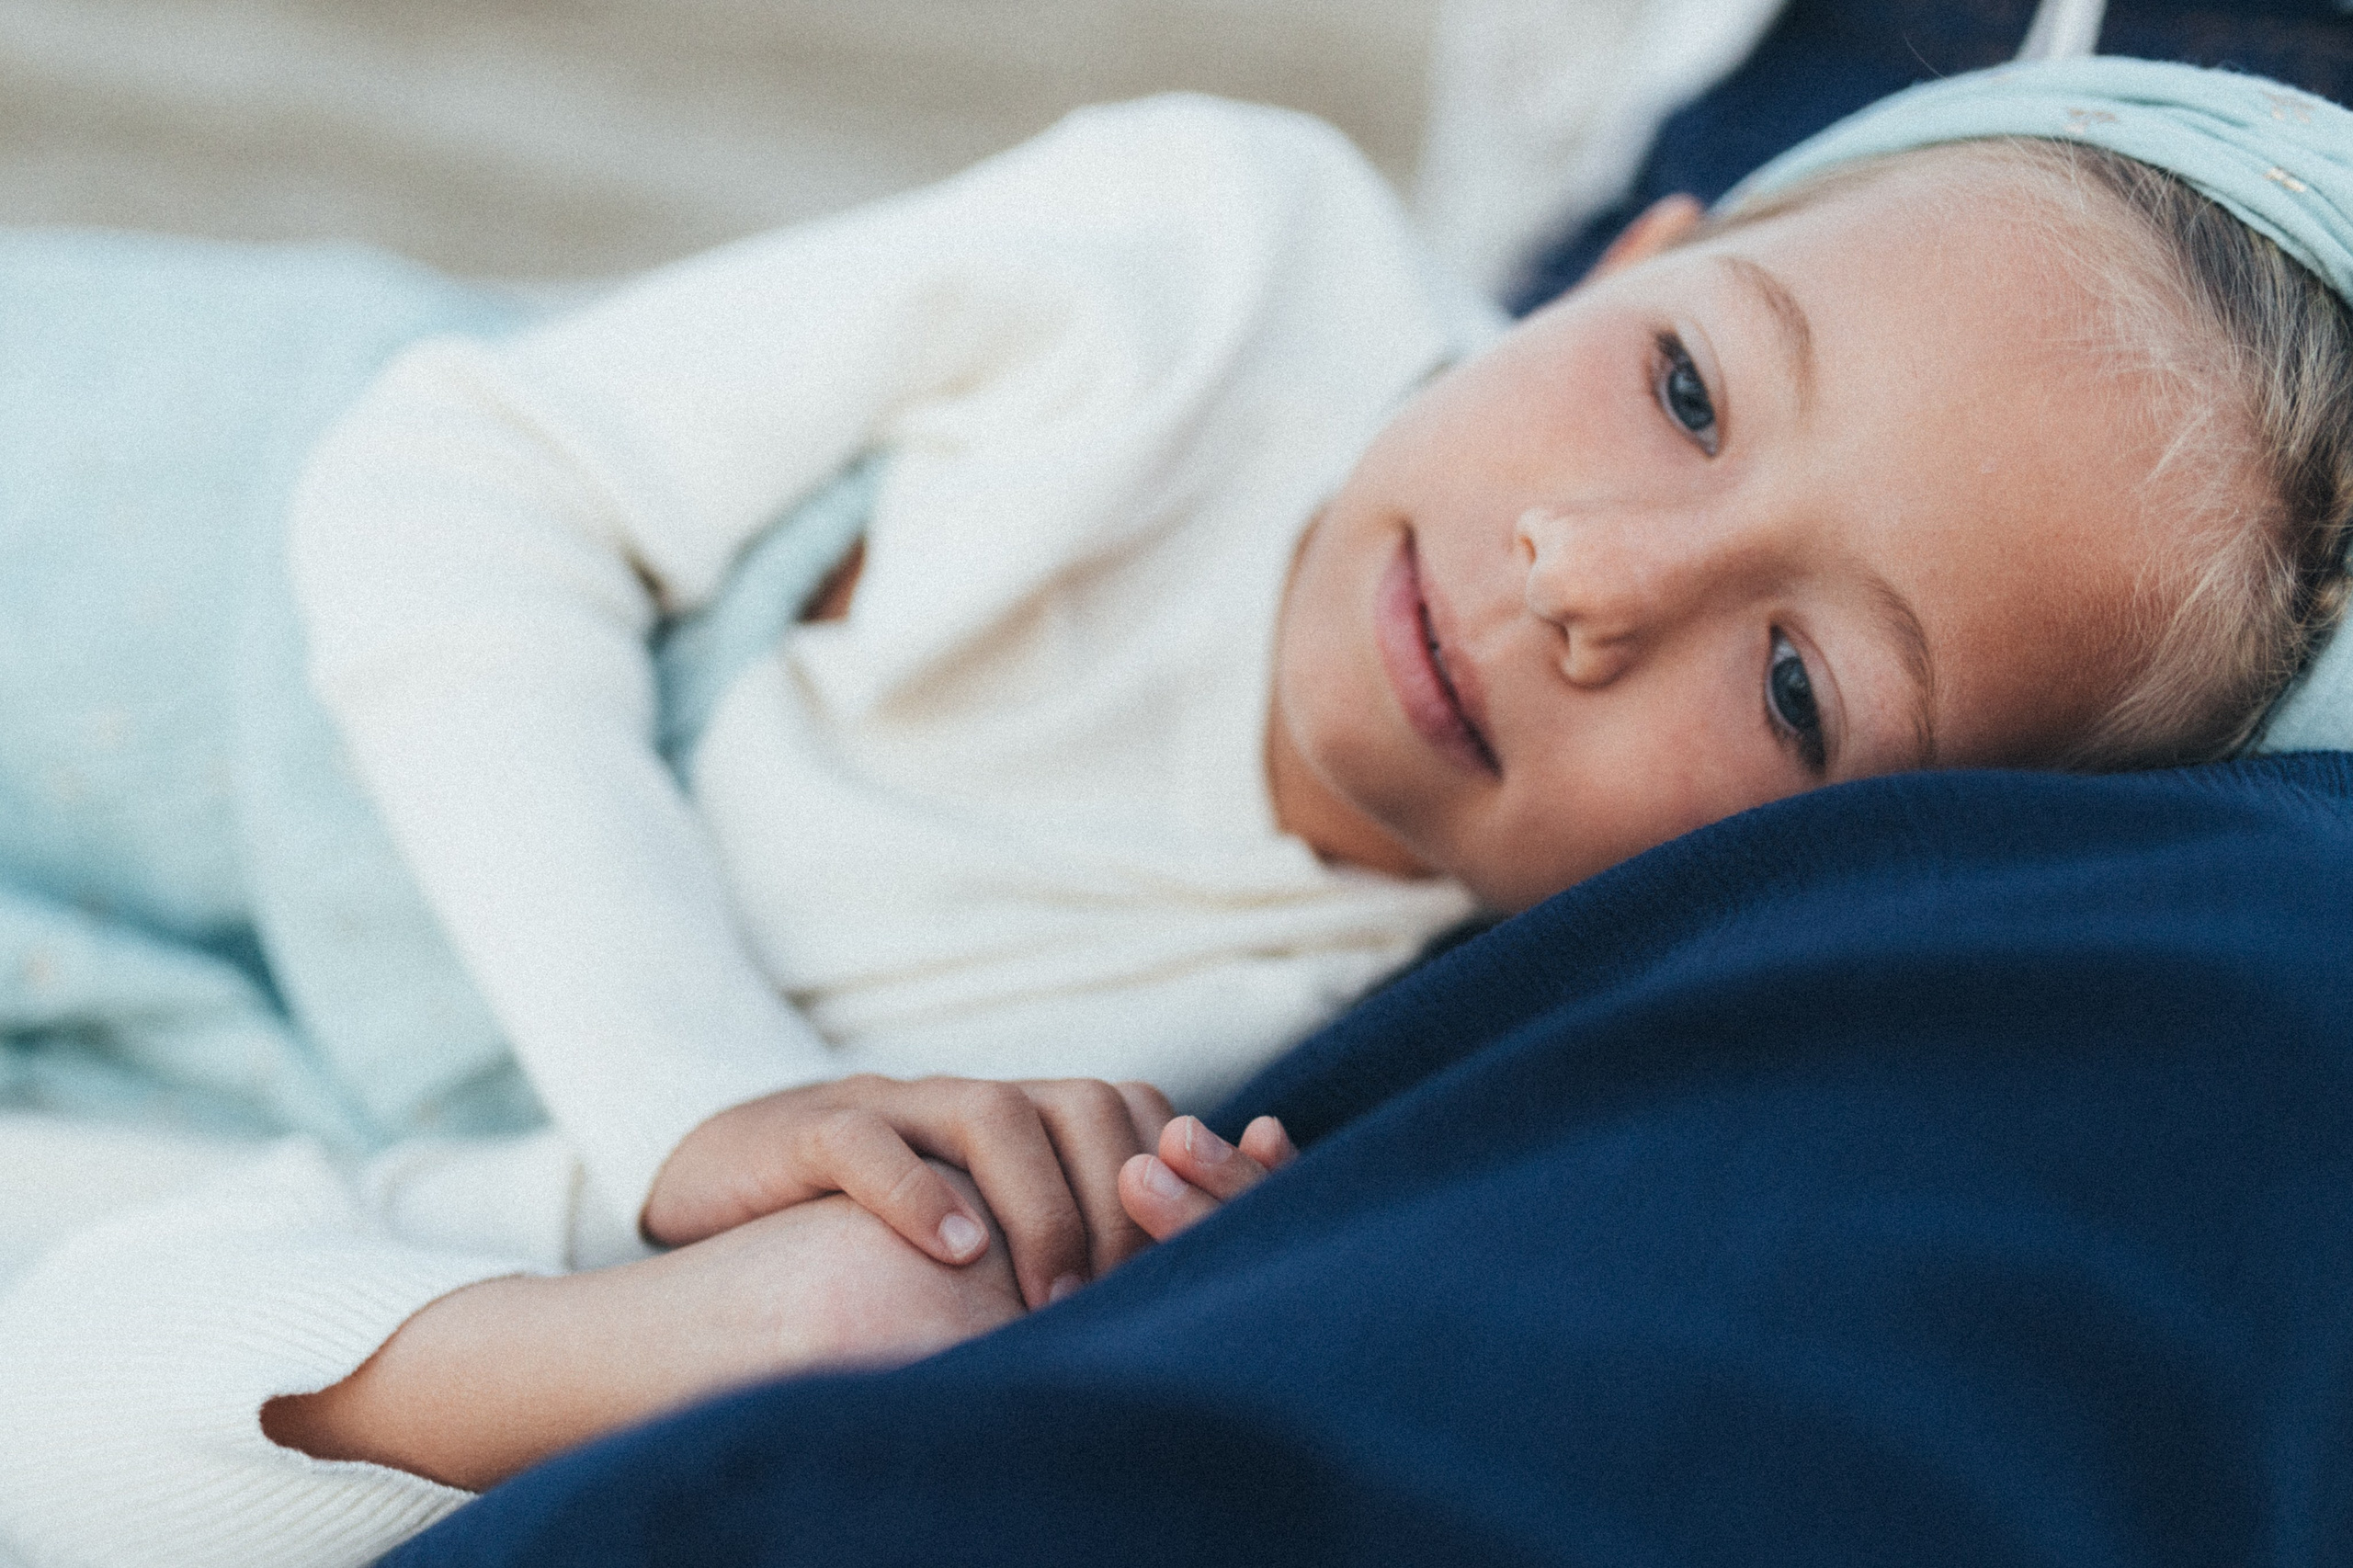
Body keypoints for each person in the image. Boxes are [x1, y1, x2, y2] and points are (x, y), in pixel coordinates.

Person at [6, 52, 2353, 1568]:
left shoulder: (1261, 1063)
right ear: (1642, 251)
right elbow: (458, 477)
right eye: (1680, 386)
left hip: (202, 1070)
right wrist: (706, 1102)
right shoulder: (1221, 275)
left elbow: (138, 1384)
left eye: (1790, 683)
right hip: (169, 570)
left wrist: (1015, 1289)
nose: (1586, 578)